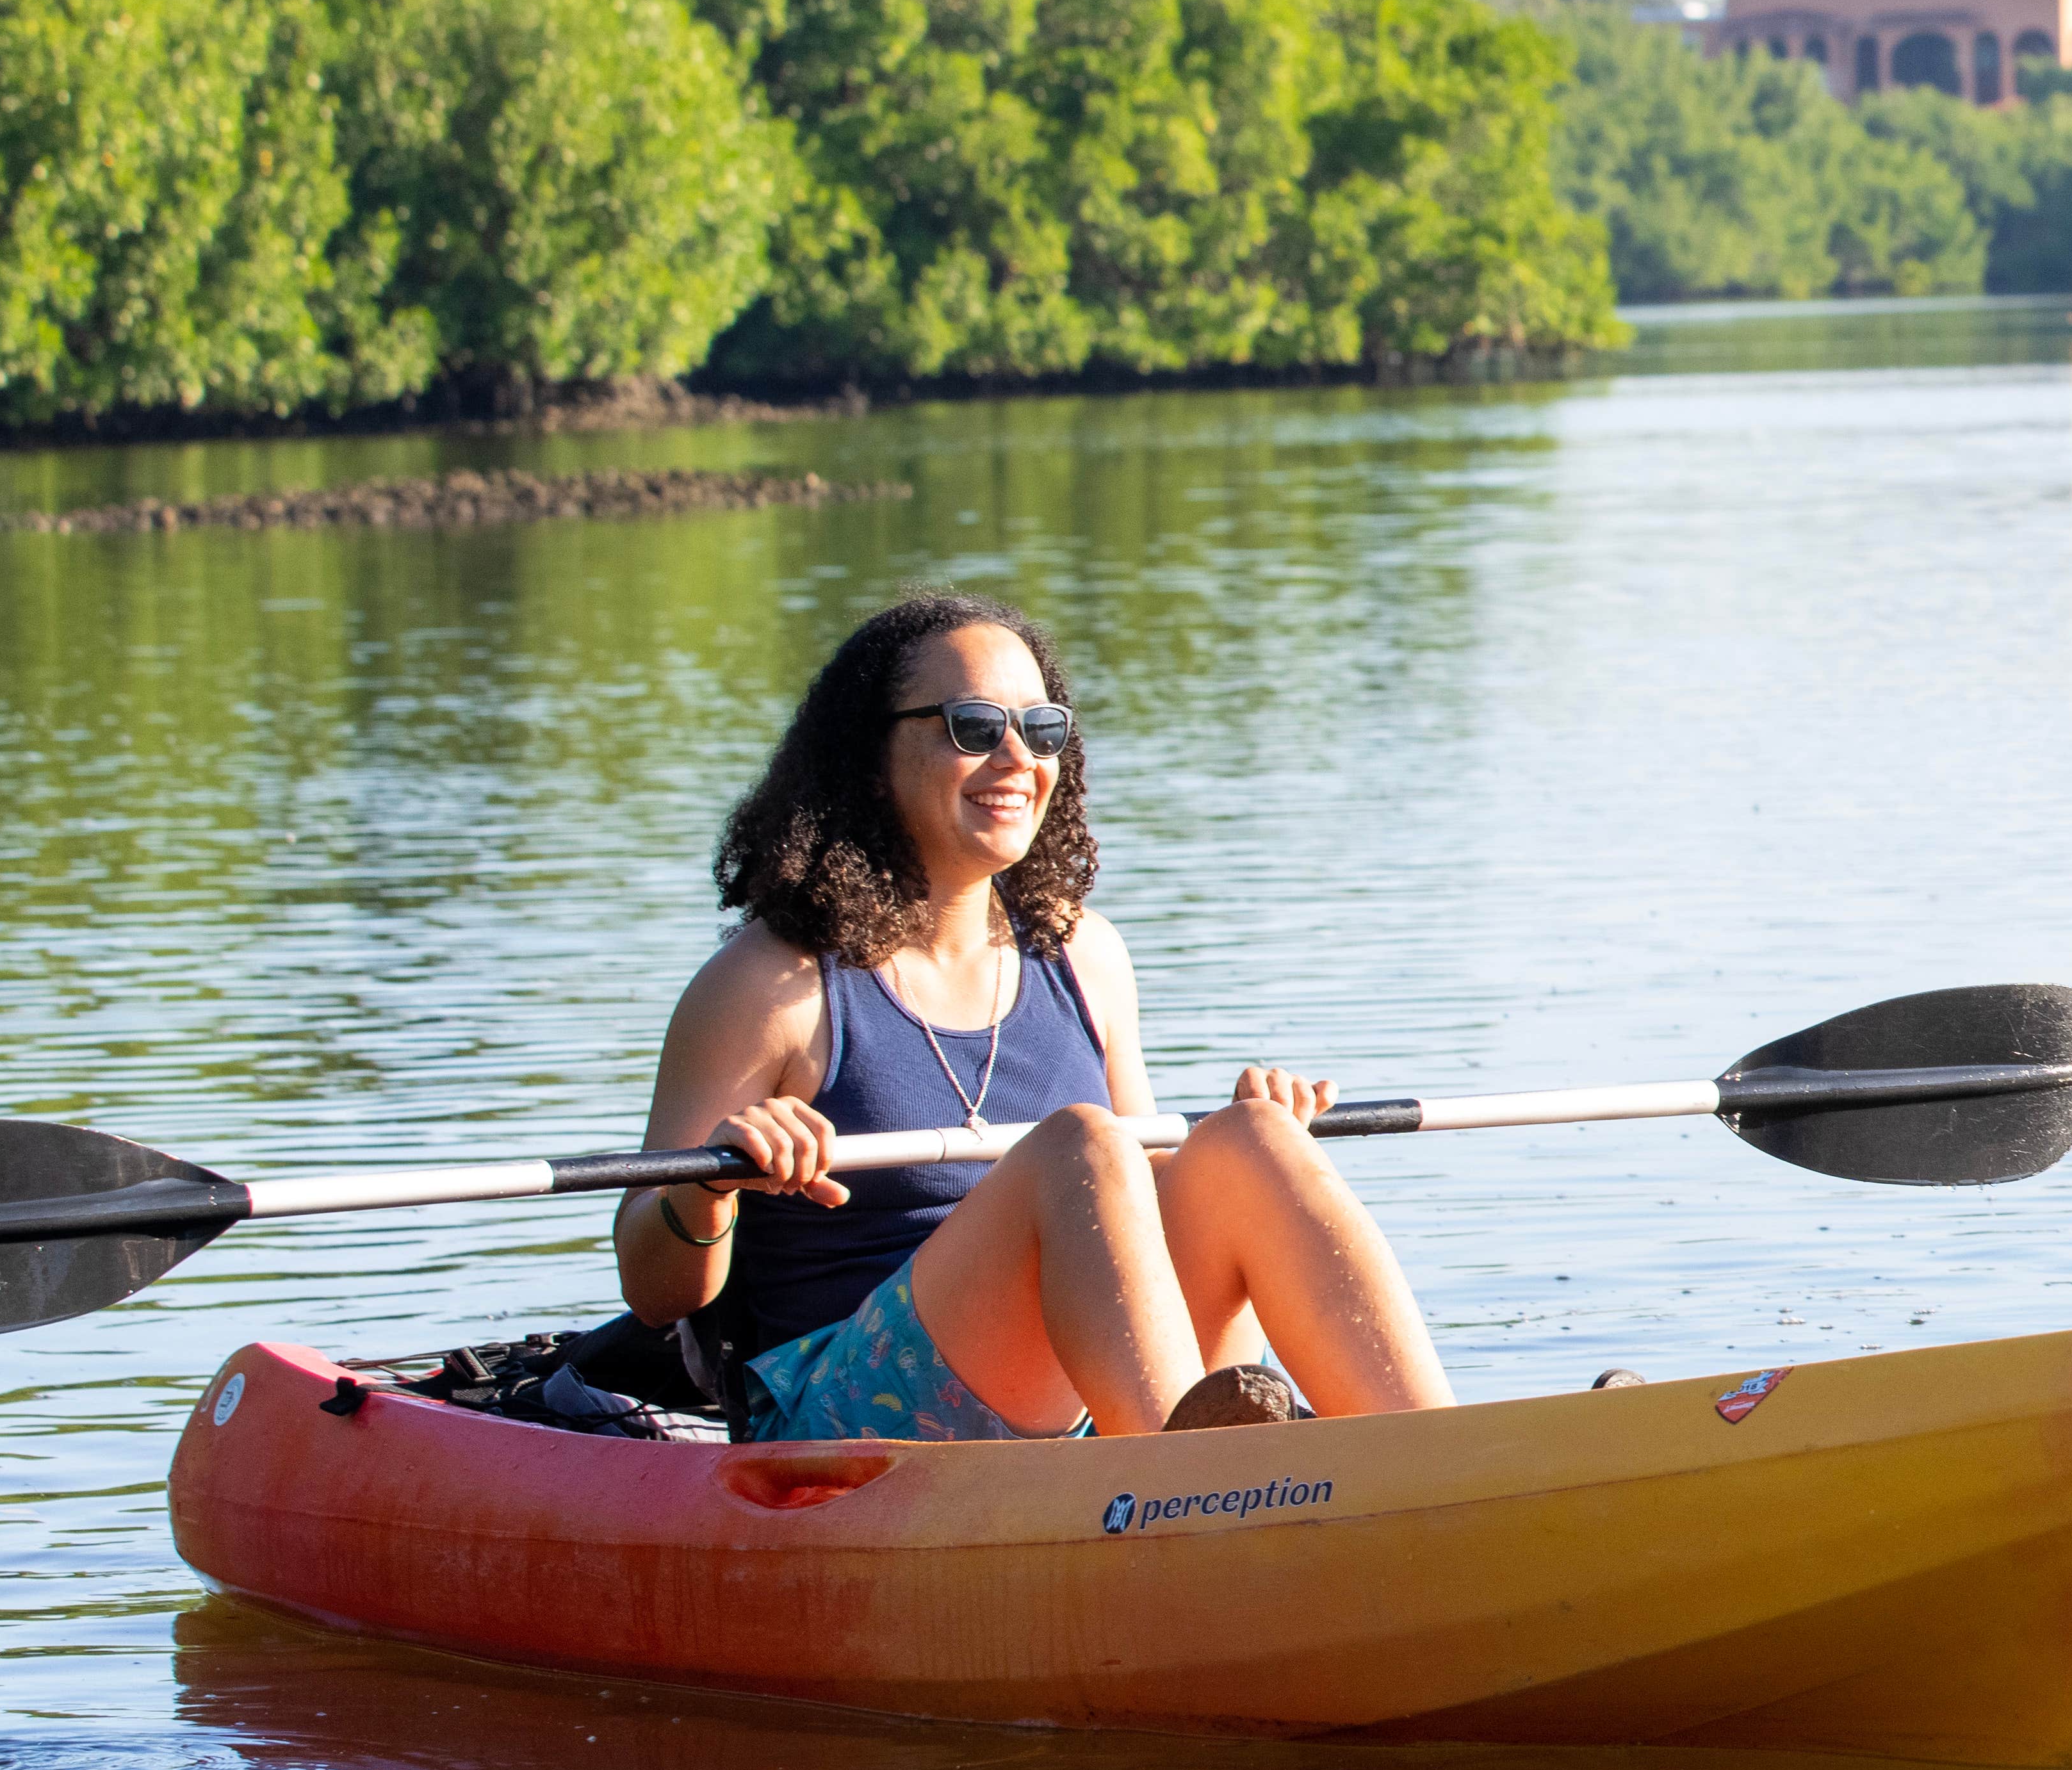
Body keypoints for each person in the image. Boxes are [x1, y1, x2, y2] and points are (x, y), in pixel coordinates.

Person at [617, 593, 1454, 1442]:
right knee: (1081, 1146)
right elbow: (655, 1291)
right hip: (843, 1427)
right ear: (871, 758)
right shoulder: (766, 986)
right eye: (974, 727)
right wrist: (711, 1181)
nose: (1018, 757)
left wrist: (1254, 1146)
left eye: (1042, 728)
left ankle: (1446, 1463)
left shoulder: (1084, 953)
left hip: (1082, 1402)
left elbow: (1154, 1200)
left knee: (1245, 1142)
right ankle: (1187, 1493)